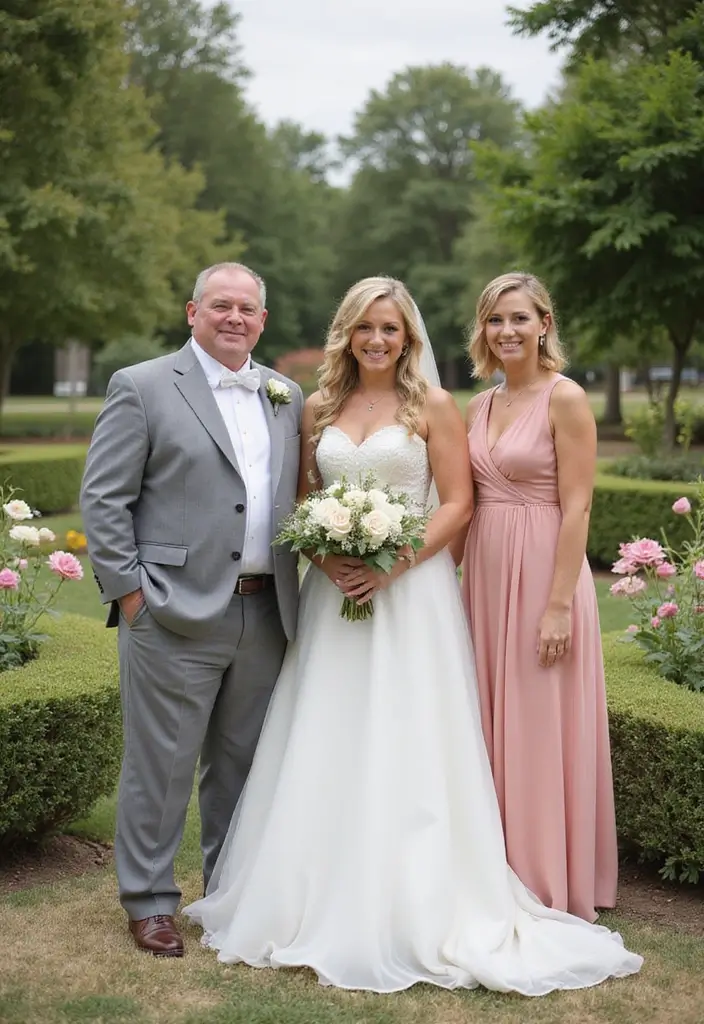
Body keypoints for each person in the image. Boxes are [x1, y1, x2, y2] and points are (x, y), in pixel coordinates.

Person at [183, 276, 642, 994]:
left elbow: (459, 502)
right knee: (328, 732)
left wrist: (393, 562)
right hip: (336, 598)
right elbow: (303, 499)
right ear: (347, 332)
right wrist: (326, 553)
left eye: (390, 329)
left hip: (412, 592)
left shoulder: (434, 404)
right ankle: (314, 884)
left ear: (409, 338)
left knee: (415, 732)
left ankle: (427, 889)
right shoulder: (319, 406)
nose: (376, 339)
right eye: (365, 326)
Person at [80, 262, 303, 957]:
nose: (234, 317)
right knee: (162, 764)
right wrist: (132, 595)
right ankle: (148, 901)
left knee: (243, 765)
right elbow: (105, 498)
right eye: (221, 305)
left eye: (247, 308)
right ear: (193, 312)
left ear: (263, 320)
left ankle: (229, 891)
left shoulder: (287, 395)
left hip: (268, 614)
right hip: (171, 611)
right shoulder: (142, 385)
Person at [451, 271, 618, 923]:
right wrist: (444, 584)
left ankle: (548, 877)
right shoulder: (479, 407)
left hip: (546, 571)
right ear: (482, 331)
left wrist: (556, 606)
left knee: (539, 721)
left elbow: (577, 507)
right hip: (487, 576)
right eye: (495, 320)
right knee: (488, 718)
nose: (507, 331)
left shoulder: (566, 398)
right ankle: (492, 866)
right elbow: (466, 506)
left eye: (519, 318)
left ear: (544, 324)